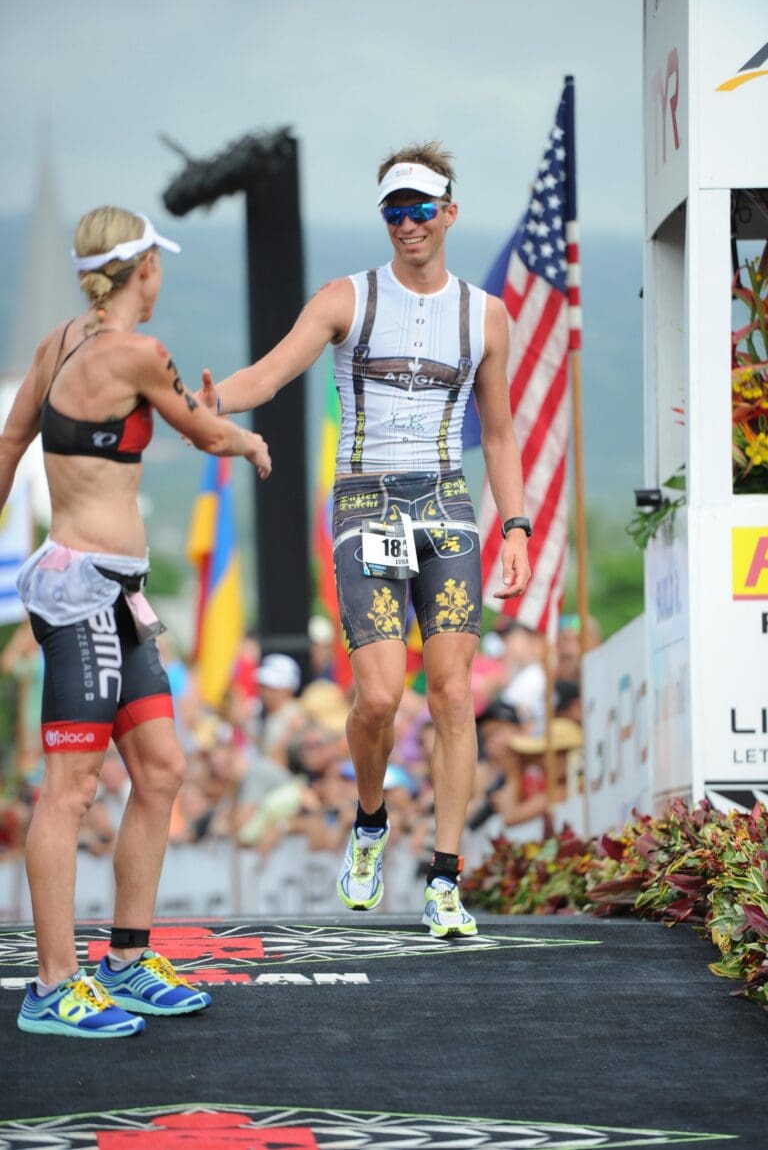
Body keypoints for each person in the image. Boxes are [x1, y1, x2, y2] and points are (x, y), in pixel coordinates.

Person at [203, 142, 531, 937]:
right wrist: (204, 404)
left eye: (422, 209)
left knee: (453, 693)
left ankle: (444, 878)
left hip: (448, 502)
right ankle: (372, 820)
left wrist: (514, 525)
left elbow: (498, 433)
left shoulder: (484, 313)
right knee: (380, 695)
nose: (409, 224)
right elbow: (272, 374)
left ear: (449, 213)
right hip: (367, 506)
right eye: (395, 210)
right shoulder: (347, 298)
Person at [0, 206, 271, 1037]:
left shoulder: (59, 343)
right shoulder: (138, 353)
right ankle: (52, 985)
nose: (161, 280)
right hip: (81, 591)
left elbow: (10, 444)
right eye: (158, 267)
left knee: (160, 769)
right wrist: (251, 444)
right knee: (71, 791)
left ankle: (125, 957)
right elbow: (203, 431)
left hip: (115, 592)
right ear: (142, 268)